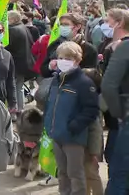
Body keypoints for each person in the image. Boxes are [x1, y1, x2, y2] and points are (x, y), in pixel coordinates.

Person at [43, 41, 99, 195]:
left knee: (75, 174)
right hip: (57, 134)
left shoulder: (84, 83)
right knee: (62, 173)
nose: (63, 61)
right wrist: (48, 124)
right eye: (61, 57)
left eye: (68, 58)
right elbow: (48, 102)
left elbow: (92, 110)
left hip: (73, 138)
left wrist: (73, 126)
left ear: (77, 60)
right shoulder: (57, 80)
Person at [100, 8, 129, 194]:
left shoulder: (123, 47)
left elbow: (109, 85)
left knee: (120, 174)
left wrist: (119, 114)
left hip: (125, 117)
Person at [40, 13, 98, 78]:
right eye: (61, 24)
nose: (62, 27)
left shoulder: (89, 49)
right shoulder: (54, 45)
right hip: (56, 85)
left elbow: (92, 76)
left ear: (78, 26)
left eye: (66, 24)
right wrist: (50, 67)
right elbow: (43, 71)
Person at [6, 10, 35, 112]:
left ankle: (14, 109)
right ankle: (20, 109)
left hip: (15, 63)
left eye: (8, 19)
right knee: (19, 87)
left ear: (13, 19)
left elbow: (7, 47)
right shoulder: (24, 27)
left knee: (13, 87)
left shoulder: (12, 30)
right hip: (24, 62)